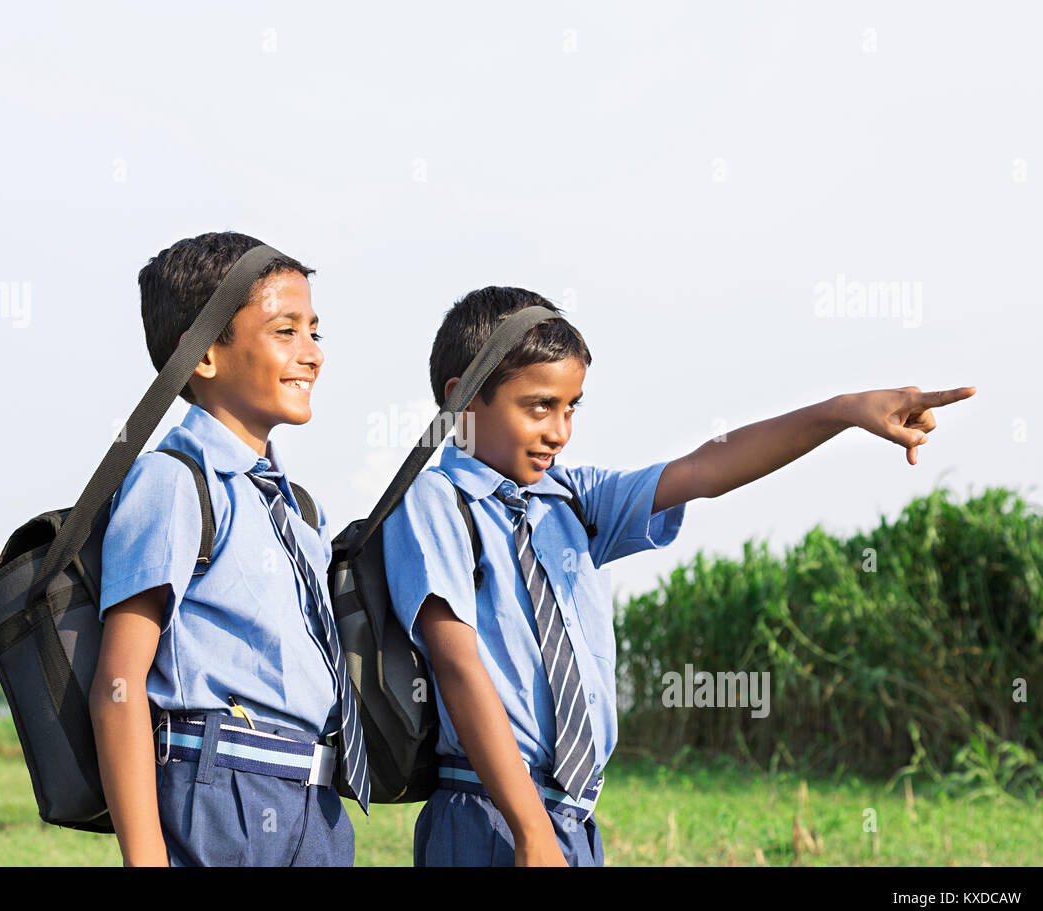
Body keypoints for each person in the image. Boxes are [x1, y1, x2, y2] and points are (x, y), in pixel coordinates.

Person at [383, 284, 975, 866]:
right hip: (488, 812)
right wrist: (531, 832)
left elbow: (704, 470)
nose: (559, 432)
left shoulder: (571, 502)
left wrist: (842, 412)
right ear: (462, 403)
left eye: (570, 408)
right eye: (538, 406)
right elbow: (458, 665)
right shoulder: (437, 501)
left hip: (572, 821)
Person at [89, 231, 367, 867]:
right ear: (205, 356)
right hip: (223, 793)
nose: (312, 354)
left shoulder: (295, 508)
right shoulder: (174, 482)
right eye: (285, 331)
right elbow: (118, 683)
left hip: (315, 799)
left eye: (315, 332)